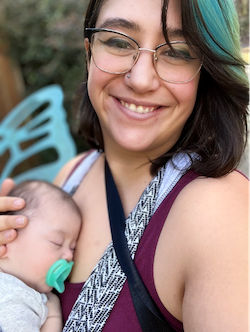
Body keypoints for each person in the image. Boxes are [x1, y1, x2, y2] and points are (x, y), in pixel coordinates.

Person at [0, 0, 249, 331]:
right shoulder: (73, 175)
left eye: (178, 52)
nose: (141, 79)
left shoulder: (218, 213)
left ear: (208, 71)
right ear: (89, 54)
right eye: (118, 41)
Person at [0, 180, 81, 332]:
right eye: (57, 242)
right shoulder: (17, 299)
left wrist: (52, 314)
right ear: (8, 234)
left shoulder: (33, 299)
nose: (69, 255)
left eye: (73, 248)